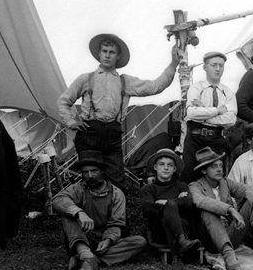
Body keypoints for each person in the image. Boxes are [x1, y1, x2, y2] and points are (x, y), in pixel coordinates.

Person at [57, 33, 179, 190]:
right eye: (104, 51)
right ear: (99, 54)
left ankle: (114, 214)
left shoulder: (125, 81)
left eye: (112, 52)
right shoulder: (86, 79)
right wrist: (71, 122)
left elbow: (155, 86)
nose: (107, 55)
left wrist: (173, 65)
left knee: (117, 183)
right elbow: (63, 100)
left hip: (112, 137)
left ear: (118, 56)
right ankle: (89, 214)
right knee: (90, 180)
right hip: (89, 135)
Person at [188, 146, 253, 270]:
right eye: (214, 167)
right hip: (211, 240)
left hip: (232, 234)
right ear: (203, 170)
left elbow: (250, 189)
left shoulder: (225, 182)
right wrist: (230, 209)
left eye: (220, 165)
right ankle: (228, 255)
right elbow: (201, 201)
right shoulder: (194, 186)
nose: (219, 169)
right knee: (208, 211)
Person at [53, 151, 146, 270]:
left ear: (102, 171)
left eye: (94, 170)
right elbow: (58, 200)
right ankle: (84, 253)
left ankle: (89, 260)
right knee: (67, 214)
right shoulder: (78, 188)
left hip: (103, 240)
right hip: (83, 238)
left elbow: (116, 223)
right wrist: (79, 212)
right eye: (85, 172)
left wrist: (108, 241)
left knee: (139, 242)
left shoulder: (116, 194)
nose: (90, 175)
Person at [139, 149, 202, 270]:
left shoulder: (181, 186)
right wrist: (174, 203)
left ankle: (178, 258)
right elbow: (148, 209)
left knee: (170, 209)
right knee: (168, 212)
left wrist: (164, 202)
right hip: (159, 232)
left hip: (185, 228)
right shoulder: (148, 189)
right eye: (162, 164)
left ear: (175, 169)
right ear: (155, 167)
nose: (166, 168)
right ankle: (179, 250)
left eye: (170, 165)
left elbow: (188, 202)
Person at [181, 51, 237, 184]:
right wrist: (217, 111)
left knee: (215, 179)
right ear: (205, 67)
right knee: (189, 176)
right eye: (214, 65)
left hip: (216, 140)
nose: (218, 69)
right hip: (195, 139)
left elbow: (231, 120)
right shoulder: (196, 88)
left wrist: (204, 113)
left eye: (221, 66)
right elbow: (191, 113)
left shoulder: (228, 92)